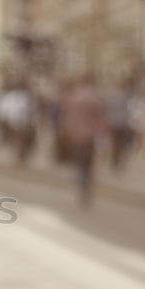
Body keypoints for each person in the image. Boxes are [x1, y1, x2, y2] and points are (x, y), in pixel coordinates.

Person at [61, 76, 106, 208]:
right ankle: (86, 186)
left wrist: (66, 131)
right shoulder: (95, 99)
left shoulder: (72, 98)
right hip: (89, 136)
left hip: (75, 136)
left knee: (79, 162)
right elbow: (100, 120)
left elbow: (66, 118)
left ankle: (81, 184)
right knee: (88, 164)